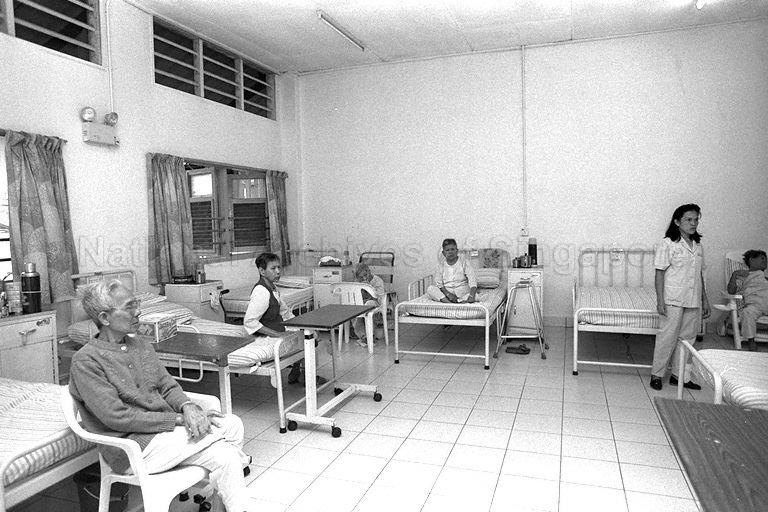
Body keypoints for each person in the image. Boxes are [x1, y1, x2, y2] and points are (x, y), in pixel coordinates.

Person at [69, 280, 255, 512]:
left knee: (230, 437)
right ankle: (241, 460)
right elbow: (116, 417)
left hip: (166, 438)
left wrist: (188, 406)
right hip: (133, 448)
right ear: (105, 318)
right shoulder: (86, 361)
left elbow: (167, 385)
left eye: (136, 304)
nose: (138, 312)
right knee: (221, 432)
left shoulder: (141, 345)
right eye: (129, 307)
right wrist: (178, 420)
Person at [650, 204, 710, 391]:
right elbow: (659, 273)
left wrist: (704, 299)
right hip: (673, 298)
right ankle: (657, 374)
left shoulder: (698, 246)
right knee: (667, 337)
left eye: (696, 220)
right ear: (677, 222)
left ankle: (680, 376)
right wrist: (660, 300)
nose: (693, 223)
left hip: (693, 299)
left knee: (688, 339)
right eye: (688, 220)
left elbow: (699, 274)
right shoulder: (668, 243)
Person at [244, 252, 325, 385]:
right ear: (261, 271)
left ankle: (296, 373)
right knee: (309, 339)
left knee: (310, 332)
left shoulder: (273, 288)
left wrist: (301, 325)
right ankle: (304, 376)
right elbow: (250, 321)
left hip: (277, 328)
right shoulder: (261, 292)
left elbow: (285, 312)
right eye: (273, 268)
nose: (278, 271)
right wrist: (276, 334)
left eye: (279, 268)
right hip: (266, 337)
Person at [725, 249, 768, 351]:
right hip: (755, 305)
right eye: (762, 258)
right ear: (751, 260)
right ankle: (751, 340)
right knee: (747, 312)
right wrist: (734, 275)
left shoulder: (765, 277)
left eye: (766, 260)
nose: (765, 261)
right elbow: (731, 291)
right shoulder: (744, 276)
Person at [426, 238, 477, 303]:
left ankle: (458, 301)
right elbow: (439, 284)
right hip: (447, 294)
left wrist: (472, 296)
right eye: (447, 250)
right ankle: (449, 303)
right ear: (443, 253)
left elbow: (472, 280)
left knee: (476, 296)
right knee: (430, 289)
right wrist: (448, 294)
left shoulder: (464, 262)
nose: (450, 252)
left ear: (457, 251)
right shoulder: (440, 265)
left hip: (462, 292)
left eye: (453, 249)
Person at [350, 263, 386, 347]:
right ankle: (364, 336)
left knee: (368, 305)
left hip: (375, 302)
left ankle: (370, 334)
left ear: (369, 271)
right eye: (360, 277)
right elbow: (354, 296)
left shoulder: (377, 280)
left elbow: (379, 296)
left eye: (365, 275)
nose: (364, 278)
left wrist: (369, 288)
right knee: (354, 308)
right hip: (361, 304)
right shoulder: (357, 282)